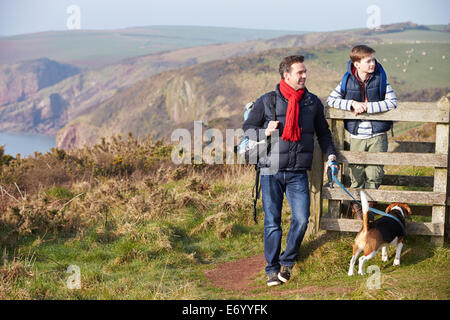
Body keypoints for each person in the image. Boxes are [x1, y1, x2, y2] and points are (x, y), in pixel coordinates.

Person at [243, 55, 337, 287]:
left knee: (302, 219)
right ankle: (272, 269)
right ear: (286, 75)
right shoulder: (267, 101)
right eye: (300, 73)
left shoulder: (312, 103)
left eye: (305, 72)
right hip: (270, 170)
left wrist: (331, 156)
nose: (304, 76)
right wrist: (265, 130)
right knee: (273, 222)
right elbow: (247, 129)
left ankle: (288, 260)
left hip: (297, 172)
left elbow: (324, 134)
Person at [326, 45, 398, 219]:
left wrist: (368, 107)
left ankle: (369, 211)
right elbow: (331, 100)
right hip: (356, 135)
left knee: (374, 174)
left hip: (378, 134)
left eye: (373, 60)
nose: (373, 63)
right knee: (356, 174)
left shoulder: (381, 79)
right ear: (357, 64)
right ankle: (359, 208)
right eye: (368, 61)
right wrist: (351, 104)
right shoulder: (346, 80)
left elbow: (393, 102)